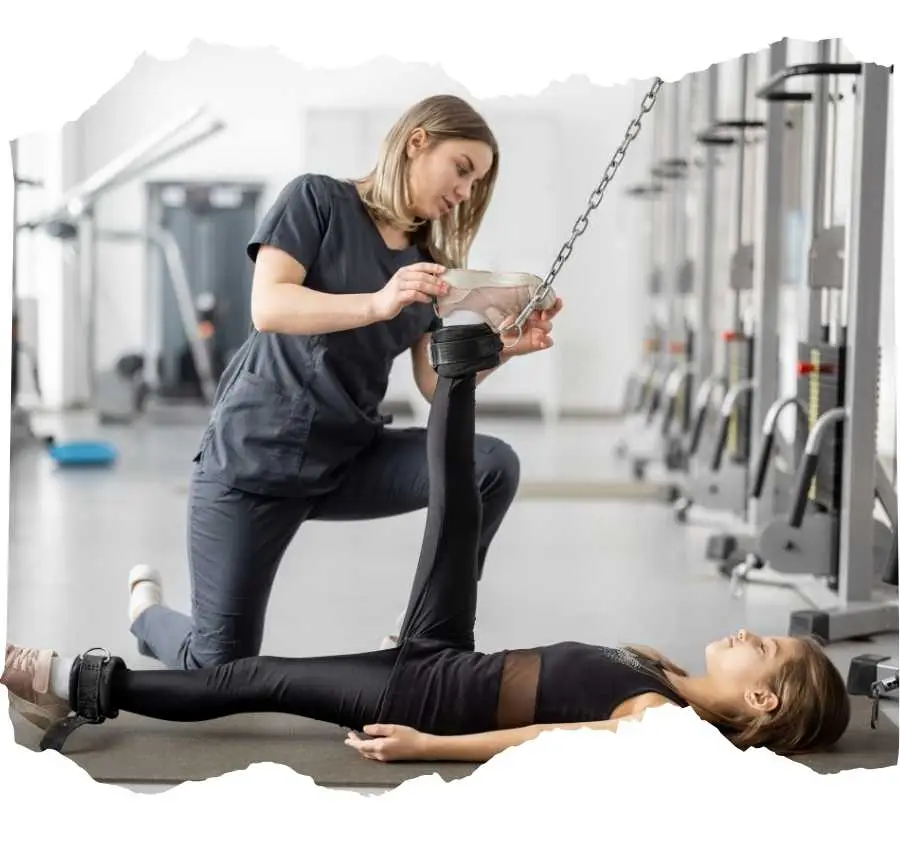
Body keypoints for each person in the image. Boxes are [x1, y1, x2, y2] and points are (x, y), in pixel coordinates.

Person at [3, 324, 851, 763]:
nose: (748, 633)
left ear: (765, 703)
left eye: (765, 649)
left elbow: (544, 744)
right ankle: (455, 372)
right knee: (457, 511)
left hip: (429, 697)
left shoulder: (664, 722)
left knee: (248, 678)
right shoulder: (662, 671)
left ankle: (71, 681)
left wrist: (427, 745)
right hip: (447, 656)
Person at [125, 93, 564, 671]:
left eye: (477, 183)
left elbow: (434, 386)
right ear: (417, 142)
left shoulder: (426, 257)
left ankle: (420, 639)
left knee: (491, 465)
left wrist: (501, 351)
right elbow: (270, 306)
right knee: (218, 667)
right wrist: (380, 302)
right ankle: (144, 616)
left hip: (348, 458)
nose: (465, 192)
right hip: (255, 462)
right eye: (462, 169)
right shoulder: (317, 200)